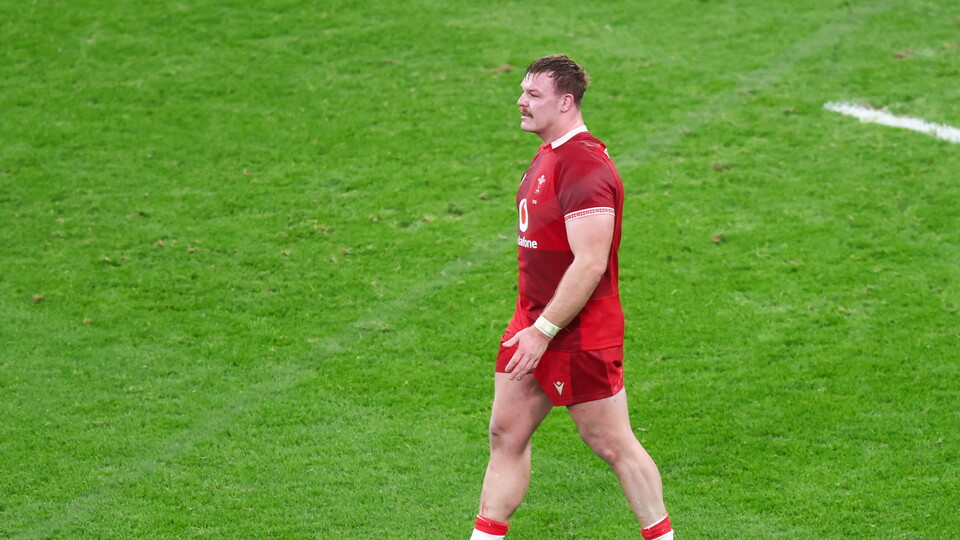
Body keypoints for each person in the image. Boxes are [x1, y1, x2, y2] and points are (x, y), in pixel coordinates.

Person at [470, 55, 673, 540]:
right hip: (532, 322)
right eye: (522, 91)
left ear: (565, 102)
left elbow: (590, 263)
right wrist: (533, 327)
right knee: (506, 433)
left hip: (576, 331)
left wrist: (543, 332)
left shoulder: (584, 167)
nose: (520, 101)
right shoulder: (549, 153)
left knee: (610, 442)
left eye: (533, 94)